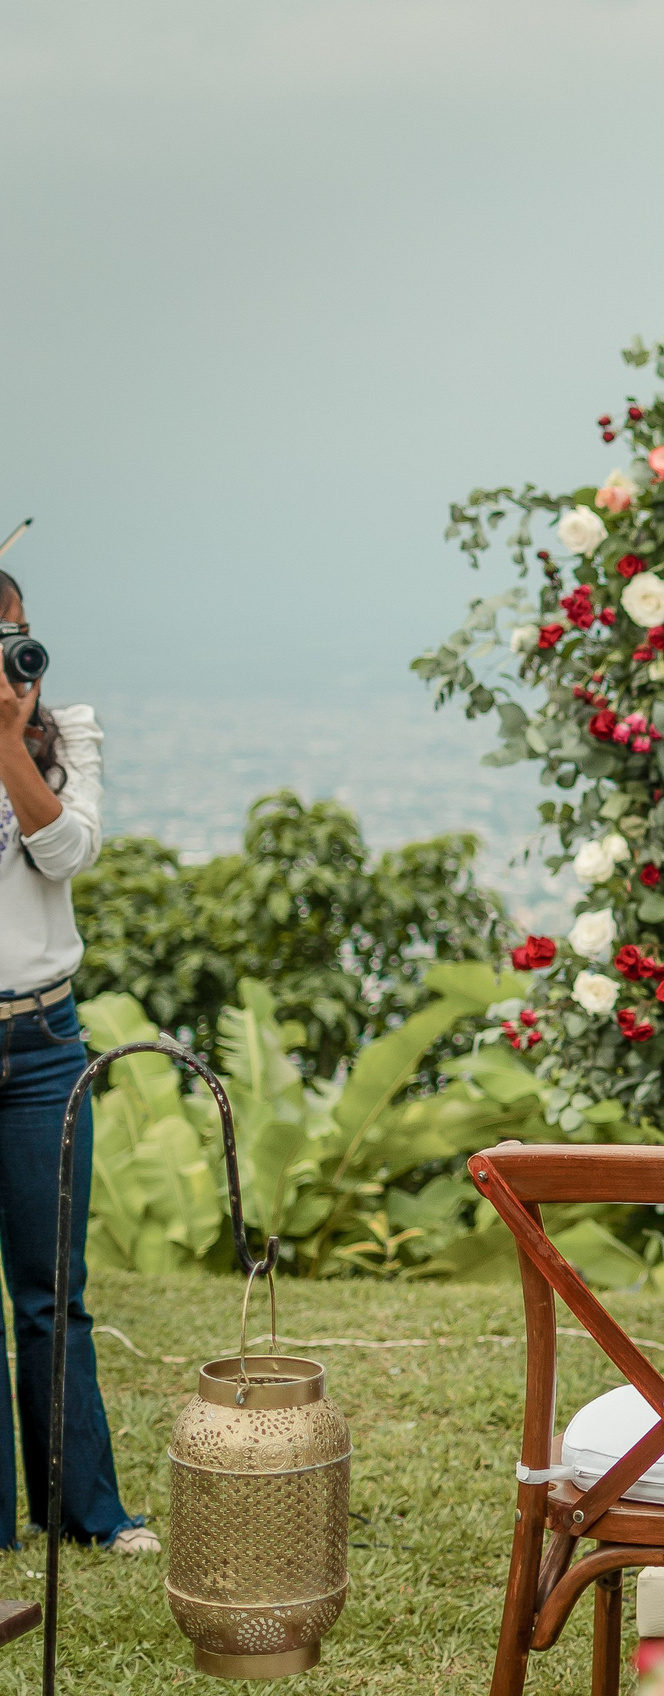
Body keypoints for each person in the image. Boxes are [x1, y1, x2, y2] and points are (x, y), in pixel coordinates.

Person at [0, 572, 151, 1556]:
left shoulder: (68, 731)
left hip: (44, 1044)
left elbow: (67, 851)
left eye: (10, 632)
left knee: (55, 1290)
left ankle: (84, 1513)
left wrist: (9, 741)